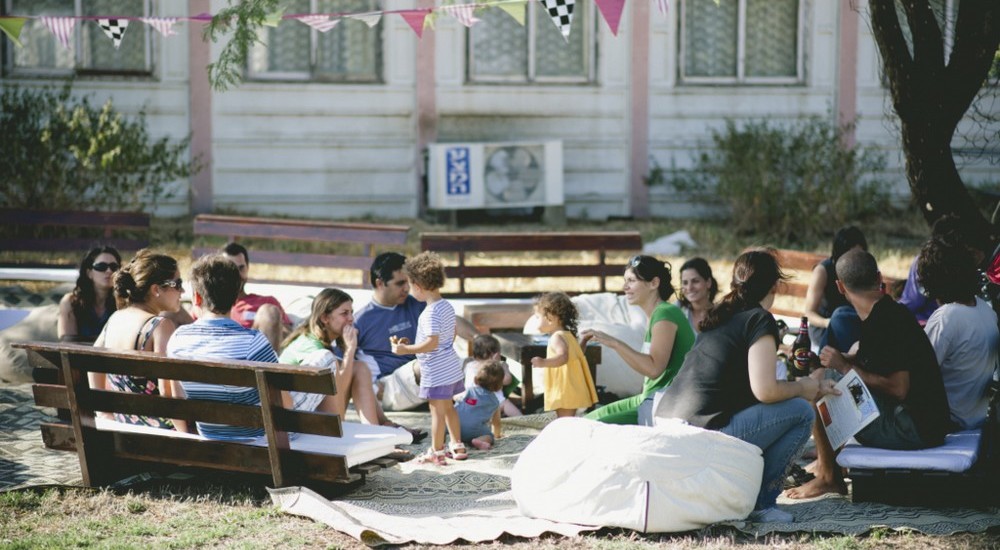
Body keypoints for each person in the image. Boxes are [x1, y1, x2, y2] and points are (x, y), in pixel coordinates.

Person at [656, 248, 839, 523]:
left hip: (667, 423)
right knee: (802, 412)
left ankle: (745, 492)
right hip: (699, 436)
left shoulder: (721, 313)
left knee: (790, 406)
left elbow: (754, 389)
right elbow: (765, 391)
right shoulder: (759, 318)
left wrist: (806, 385)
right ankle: (762, 504)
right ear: (775, 285)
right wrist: (802, 388)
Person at [786, 249, 956, 500]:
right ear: (879, 277)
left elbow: (899, 388)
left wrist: (843, 367)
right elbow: (874, 362)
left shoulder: (884, 322)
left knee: (819, 384)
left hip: (915, 428)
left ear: (840, 287)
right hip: (922, 422)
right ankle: (829, 466)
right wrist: (833, 362)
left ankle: (830, 477)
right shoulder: (886, 313)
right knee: (823, 374)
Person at [166, 254, 295, 441]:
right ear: (236, 298)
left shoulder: (178, 339)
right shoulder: (254, 342)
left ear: (196, 297)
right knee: (324, 360)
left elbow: (178, 400)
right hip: (256, 441)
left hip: (208, 437)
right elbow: (285, 404)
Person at [279, 288, 425, 441]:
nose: (351, 318)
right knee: (349, 365)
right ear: (324, 318)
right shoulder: (312, 347)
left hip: (303, 411)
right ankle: (378, 434)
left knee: (359, 367)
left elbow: (340, 386)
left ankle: (377, 430)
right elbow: (338, 391)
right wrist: (350, 349)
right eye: (344, 313)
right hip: (293, 422)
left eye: (351, 312)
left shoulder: (319, 340)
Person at [354, 252, 480, 412]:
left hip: (426, 377)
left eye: (408, 282)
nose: (407, 288)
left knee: (479, 367)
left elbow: (449, 318)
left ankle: (480, 405)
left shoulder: (414, 304)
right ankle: (470, 406)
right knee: (432, 363)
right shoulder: (361, 320)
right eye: (400, 283)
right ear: (380, 283)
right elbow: (342, 364)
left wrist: (479, 338)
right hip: (389, 389)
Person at [581, 255, 696, 425]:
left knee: (588, 428)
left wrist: (615, 343)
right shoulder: (656, 314)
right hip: (647, 398)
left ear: (653, 283)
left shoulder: (665, 314)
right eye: (625, 280)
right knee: (583, 421)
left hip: (662, 404)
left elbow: (653, 368)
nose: (625, 287)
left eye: (632, 281)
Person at [91, 249, 186, 432]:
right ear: (156, 289)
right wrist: (187, 434)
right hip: (159, 433)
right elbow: (167, 392)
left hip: (124, 426)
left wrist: (104, 413)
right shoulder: (160, 326)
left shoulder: (115, 319)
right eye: (177, 283)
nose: (182, 290)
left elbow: (92, 360)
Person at [390, 251, 466, 465]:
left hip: (436, 370)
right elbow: (451, 335)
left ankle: (436, 451)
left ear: (418, 287)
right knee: (449, 407)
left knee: (436, 413)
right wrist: (414, 345)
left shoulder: (430, 313)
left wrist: (406, 350)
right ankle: (457, 444)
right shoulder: (447, 306)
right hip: (450, 365)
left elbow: (431, 342)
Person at [917, 239, 1000, 430]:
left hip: (951, 421)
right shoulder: (986, 311)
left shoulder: (947, 317)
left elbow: (918, 373)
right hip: (975, 417)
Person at [530, 292, 598, 418]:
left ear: (551, 318)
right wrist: (583, 341)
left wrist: (543, 362)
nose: (536, 321)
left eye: (538, 317)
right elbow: (577, 354)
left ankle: (566, 435)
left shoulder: (556, 338)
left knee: (564, 419)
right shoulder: (567, 335)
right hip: (571, 385)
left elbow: (563, 357)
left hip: (564, 386)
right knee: (567, 417)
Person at [219, 242, 292, 353]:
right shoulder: (209, 305)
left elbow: (290, 335)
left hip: (257, 362)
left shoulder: (267, 302)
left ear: (248, 268)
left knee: (269, 313)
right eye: (230, 269)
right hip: (220, 358)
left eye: (241, 268)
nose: (237, 275)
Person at [803, 226, 867, 352]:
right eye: (851, 256)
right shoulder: (823, 271)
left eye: (859, 255)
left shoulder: (863, 269)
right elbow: (809, 313)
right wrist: (828, 323)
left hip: (850, 324)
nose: (855, 260)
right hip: (826, 328)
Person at [58, 246, 121, 343]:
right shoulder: (71, 302)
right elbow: (68, 344)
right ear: (89, 273)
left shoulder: (124, 303)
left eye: (114, 267)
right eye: (101, 266)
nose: (109, 271)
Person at [461, 334, 521, 418]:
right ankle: (521, 418)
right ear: (496, 355)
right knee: (505, 403)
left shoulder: (469, 365)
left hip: (472, 403)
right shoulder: (493, 369)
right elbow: (507, 380)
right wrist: (505, 368)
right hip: (491, 403)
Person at [455, 360, 506, 451]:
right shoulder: (495, 402)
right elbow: (496, 423)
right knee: (490, 436)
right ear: (499, 386)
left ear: (475, 379)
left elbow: (456, 397)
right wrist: (497, 435)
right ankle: (479, 441)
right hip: (473, 431)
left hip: (453, 428)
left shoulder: (468, 391)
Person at [676, 257, 719, 334]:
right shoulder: (676, 310)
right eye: (685, 283)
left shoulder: (721, 314)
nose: (689, 288)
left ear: (708, 282)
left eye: (695, 281)